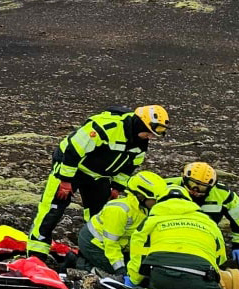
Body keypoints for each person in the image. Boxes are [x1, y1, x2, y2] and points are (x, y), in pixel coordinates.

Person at [26, 105, 169, 260]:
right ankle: (36, 254)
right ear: (139, 124)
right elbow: (73, 150)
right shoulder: (106, 126)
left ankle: (86, 255)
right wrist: (66, 181)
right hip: (72, 168)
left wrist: (116, 188)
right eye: (149, 133)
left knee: (98, 215)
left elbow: (129, 166)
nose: (150, 137)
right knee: (52, 210)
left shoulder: (140, 141)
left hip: (99, 176)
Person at [127, 185, 228, 289]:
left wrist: (133, 280)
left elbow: (139, 252)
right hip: (199, 276)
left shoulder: (151, 221)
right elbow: (221, 256)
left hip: (160, 273)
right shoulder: (209, 222)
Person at [76, 170, 168, 275]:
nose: (159, 203)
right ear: (141, 196)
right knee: (120, 272)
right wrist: (120, 269)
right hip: (94, 244)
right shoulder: (119, 210)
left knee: (139, 270)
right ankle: (80, 263)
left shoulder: (144, 209)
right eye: (155, 200)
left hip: (117, 245)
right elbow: (111, 243)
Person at [166, 162, 239, 269]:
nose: (195, 190)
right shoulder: (165, 186)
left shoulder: (223, 195)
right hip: (170, 233)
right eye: (192, 184)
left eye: (202, 187)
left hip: (206, 237)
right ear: (183, 178)